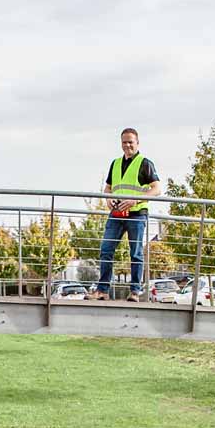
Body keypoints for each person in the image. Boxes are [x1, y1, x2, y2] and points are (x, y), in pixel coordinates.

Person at [88, 128, 162, 302]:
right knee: (106, 250)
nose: (127, 145)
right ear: (121, 143)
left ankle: (135, 291)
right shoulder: (115, 163)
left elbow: (157, 189)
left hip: (137, 214)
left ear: (137, 143)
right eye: (124, 142)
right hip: (116, 214)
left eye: (131, 142)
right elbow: (108, 188)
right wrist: (108, 199)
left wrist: (135, 200)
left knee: (135, 253)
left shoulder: (145, 163)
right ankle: (102, 290)